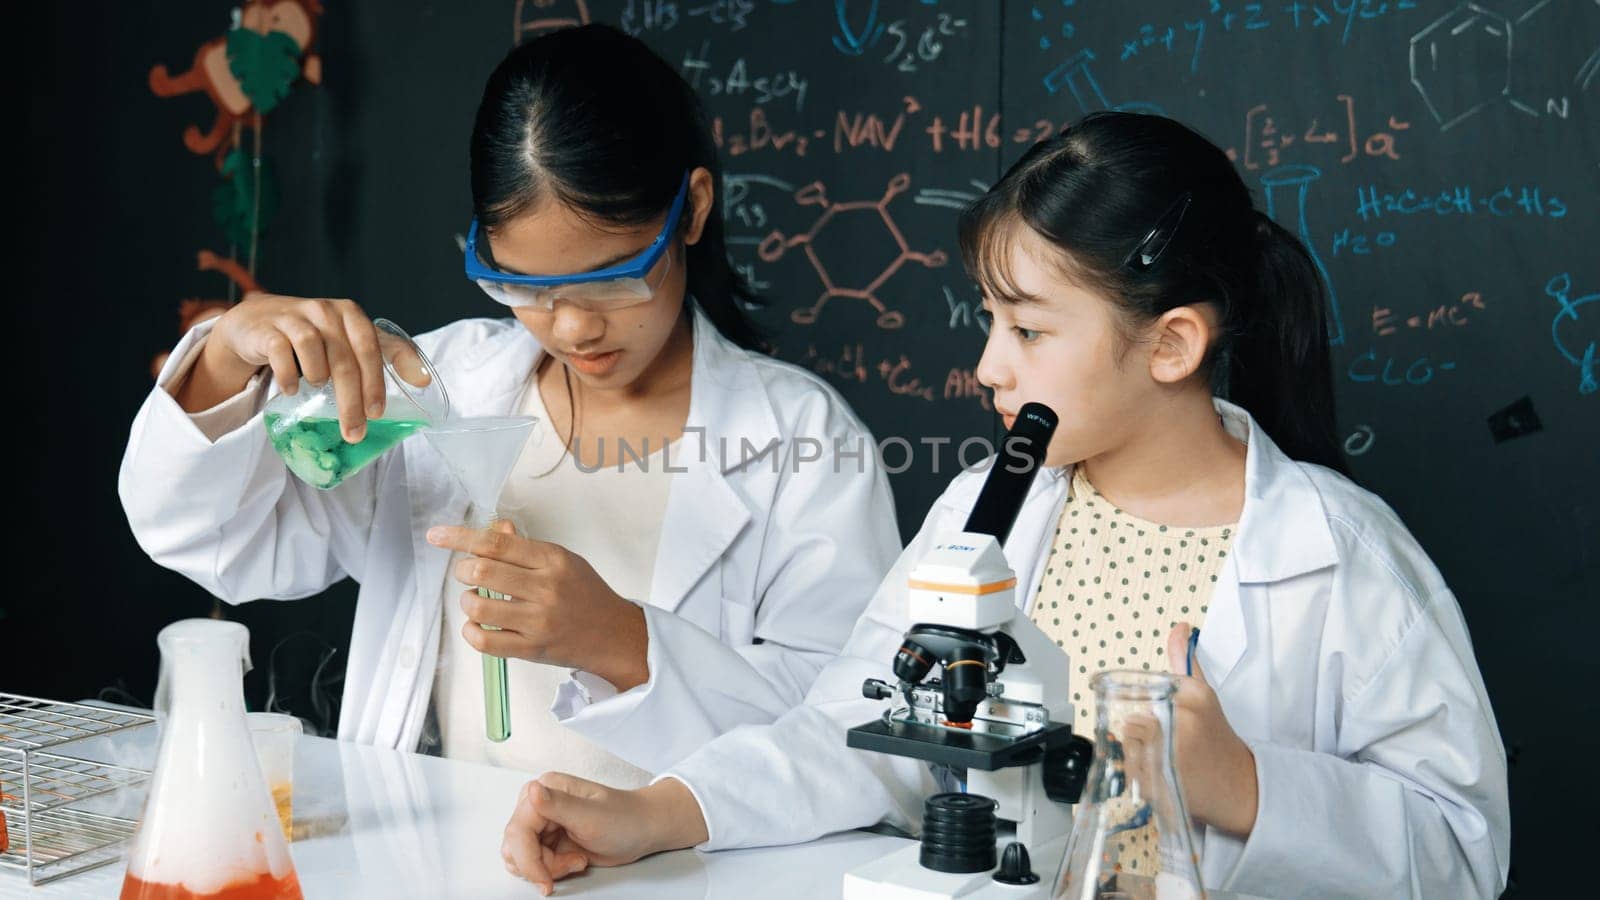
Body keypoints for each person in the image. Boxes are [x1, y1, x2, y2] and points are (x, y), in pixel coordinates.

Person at [499, 112, 1509, 899]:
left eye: (1026, 331)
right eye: (990, 322)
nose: (986, 366)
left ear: (1169, 346)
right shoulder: (988, 511)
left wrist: (1244, 785)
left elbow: (1462, 855)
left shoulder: (1340, 555)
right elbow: (848, 729)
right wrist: (663, 811)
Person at [119, 24, 900, 787]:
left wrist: (622, 642)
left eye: (613, 279)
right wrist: (221, 359)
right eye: (525, 287)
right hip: (437, 861)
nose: (572, 326)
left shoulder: (803, 442)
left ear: (692, 211)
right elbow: (219, 540)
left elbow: (854, 741)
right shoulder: (440, 391)